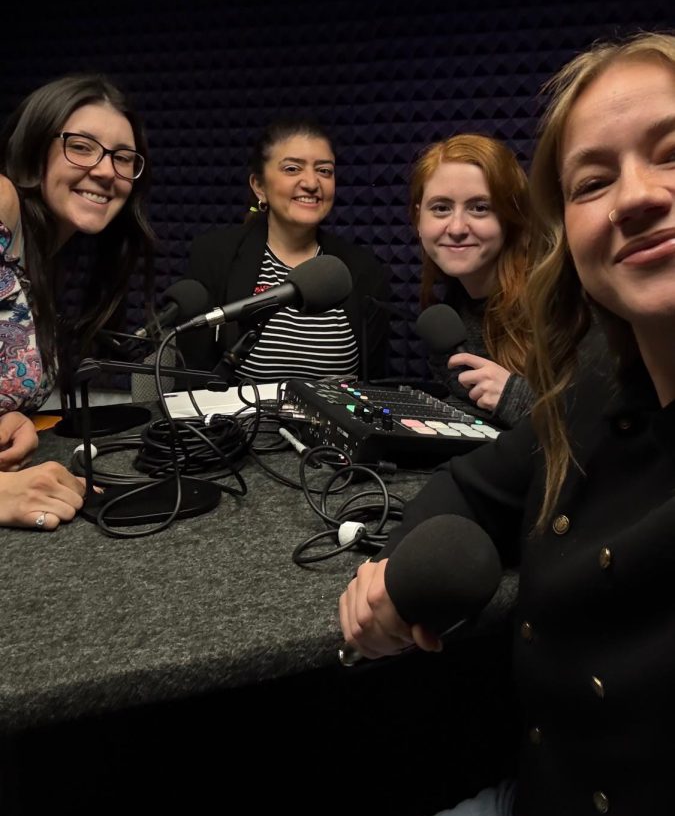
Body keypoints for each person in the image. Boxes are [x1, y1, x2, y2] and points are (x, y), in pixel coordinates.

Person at [217, 31, 675, 816]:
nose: (636, 197)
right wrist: (397, 573)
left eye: (669, 155)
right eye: (591, 180)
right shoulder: (589, 395)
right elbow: (472, 486)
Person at [0, 73, 155, 530]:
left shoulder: (45, 258)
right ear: (35, 149)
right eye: (81, 146)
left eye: (123, 158)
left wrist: (13, 420)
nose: (107, 170)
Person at [180, 117, 391, 382]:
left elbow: (375, 382)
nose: (312, 183)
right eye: (292, 169)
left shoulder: (363, 270)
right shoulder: (215, 256)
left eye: (324, 171)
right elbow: (193, 377)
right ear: (259, 186)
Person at [412, 133, 533, 426]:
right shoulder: (451, 308)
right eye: (441, 208)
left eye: (479, 208)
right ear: (418, 219)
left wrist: (514, 397)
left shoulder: (559, 299)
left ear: (510, 218)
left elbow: (600, 426)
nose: (456, 228)